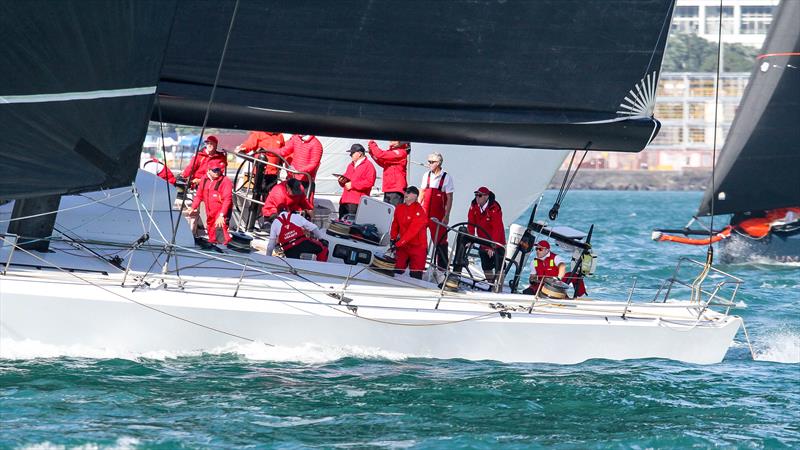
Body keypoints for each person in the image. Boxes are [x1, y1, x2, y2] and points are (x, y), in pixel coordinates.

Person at [418, 152, 453, 269]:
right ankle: (418, 262)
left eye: (431, 162)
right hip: (424, 212)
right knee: (418, 237)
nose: (429, 164)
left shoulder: (446, 177)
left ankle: (442, 268)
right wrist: (417, 208)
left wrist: (447, 215)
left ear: (438, 163)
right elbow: (422, 192)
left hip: (438, 214)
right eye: (428, 161)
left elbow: (449, 197)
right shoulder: (426, 175)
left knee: (440, 240)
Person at [467, 186, 506, 284]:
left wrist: (493, 246)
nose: (477, 197)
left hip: (497, 242)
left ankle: (498, 288)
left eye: (479, 195)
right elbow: (471, 223)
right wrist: (470, 238)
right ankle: (491, 285)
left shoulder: (494, 208)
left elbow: (497, 228)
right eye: (476, 195)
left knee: (499, 267)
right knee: (486, 266)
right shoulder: (474, 206)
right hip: (483, 242)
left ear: (486, 196)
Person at [189, 159, 233, 246]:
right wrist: (193, 207)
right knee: (211, 229)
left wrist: (222, 215)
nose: (217, 172)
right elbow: (199, 196)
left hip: (221, 211)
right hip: (210, 212)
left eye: (218, 170)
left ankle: (224, 248)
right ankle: (212, 245)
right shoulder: (204, 179)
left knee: (220, 229)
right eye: (214, 170)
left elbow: (227, 200)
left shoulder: (225, 181)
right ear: (209, 170)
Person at [390, 186, 428, 279]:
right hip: (403, 246)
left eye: (408, 192)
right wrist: (393, 238)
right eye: (406, 192)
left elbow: (412, 232)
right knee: (396, 270)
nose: (406, 194)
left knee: (416, 275)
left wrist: (398, 244)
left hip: (418, 247)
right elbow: (395, 224)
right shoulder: (399, 208)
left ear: (415, 196)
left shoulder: (420, 211)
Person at [338, 143, 376, 219]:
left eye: (352, 153)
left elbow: (369, 182)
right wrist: (341, 181)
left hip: (356, 202)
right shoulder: (350, 165)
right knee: (341, 223)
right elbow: (346, 179)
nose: (350, 155)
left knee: (352, 224)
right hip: (345, 201)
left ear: (359, 154)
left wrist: (352, 185)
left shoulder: (369, 166)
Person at [367, 140, 409, 206]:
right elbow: (382, 162)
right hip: (389, 188)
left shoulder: (400, 152)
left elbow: (380, 154)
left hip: (396, 189)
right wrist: (372, 153)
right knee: (387, 211)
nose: (390, 140)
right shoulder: (393, 152)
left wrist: (372, 143)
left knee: (394, 211)